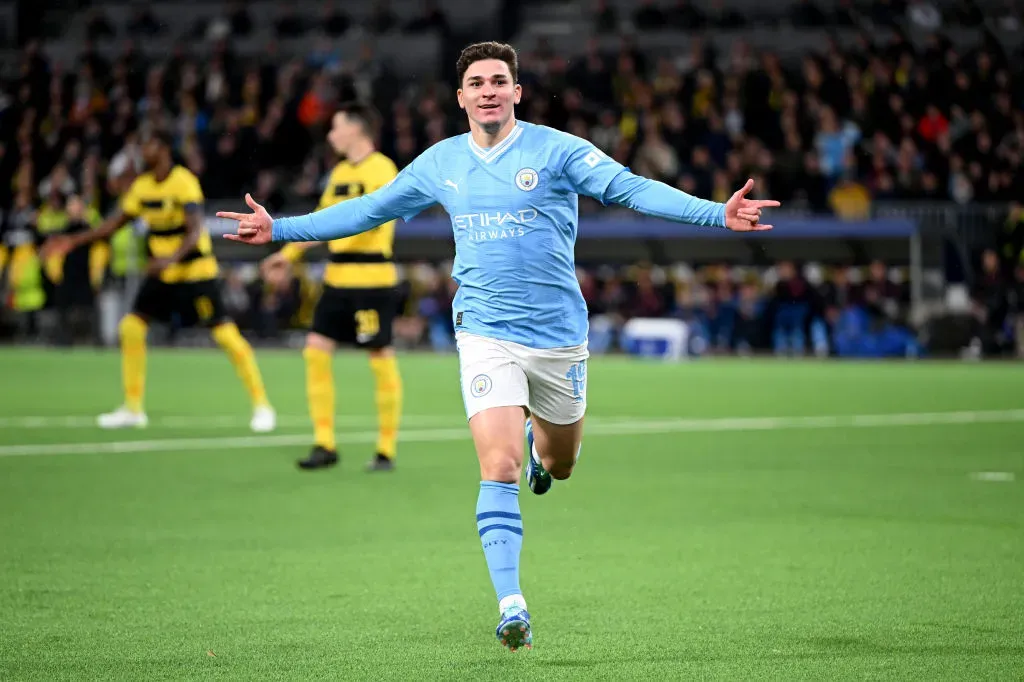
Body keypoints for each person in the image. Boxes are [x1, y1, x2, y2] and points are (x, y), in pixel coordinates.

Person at [217, 41, 778, 651]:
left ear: (517, 92)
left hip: (560, 338)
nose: (488, 90)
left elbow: (632, 189)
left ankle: (547, 454)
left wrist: (714, 215)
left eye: (499, 81)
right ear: (461, 98)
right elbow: (368, 210)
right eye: (477, 82)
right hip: (485, 332)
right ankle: (512, 603)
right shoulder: (441, 163)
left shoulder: (558, 151)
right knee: (499, 465)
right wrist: (282, 229)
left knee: (558, 463)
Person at [44, 131, 276, 432]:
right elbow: (113, 225)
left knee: (226, 336)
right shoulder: (141, 186)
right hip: (162, 274)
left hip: (195, 272)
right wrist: (73, 241)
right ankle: (133, 408)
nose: (144, 150)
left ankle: (262, 405)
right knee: (131, 327)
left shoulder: (183, 181)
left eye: (149, 144)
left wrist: (170, 259)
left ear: (164, 149)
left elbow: (195, 232)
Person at [261, 103, 403, 472]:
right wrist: (286, 256)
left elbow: (370, 222)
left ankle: (385, 449)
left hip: (372, 280)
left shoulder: (383, 169)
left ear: (357, 129)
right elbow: (319, 222)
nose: (331, 135)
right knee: (315, 351)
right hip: (337, 279)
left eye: (336, 127)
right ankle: (325, 443)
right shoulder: (339, 172)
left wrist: (334, 232)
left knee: (379, 357)